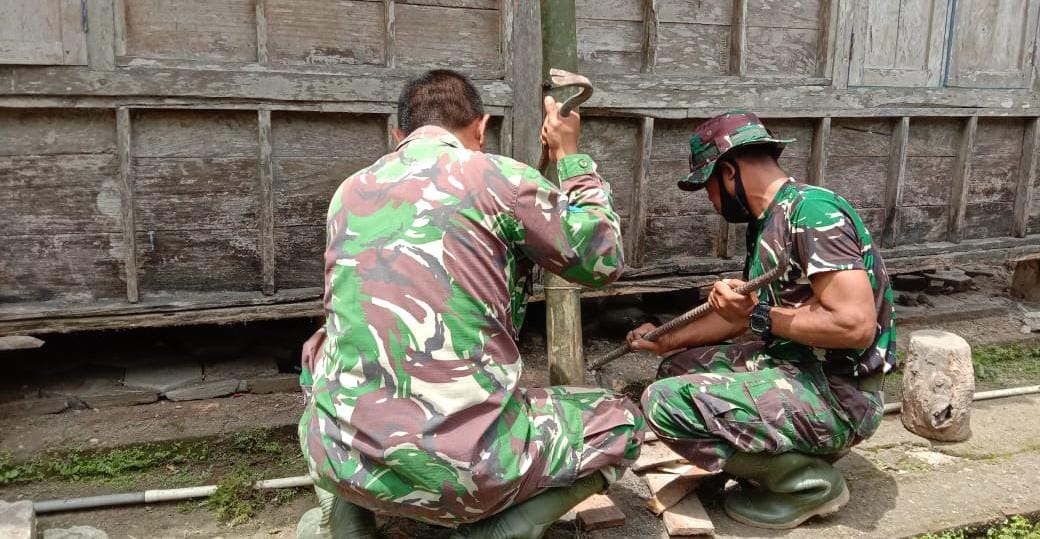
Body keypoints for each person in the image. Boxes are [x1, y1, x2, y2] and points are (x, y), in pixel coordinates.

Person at [296, 69, 645, 539]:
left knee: (319, 349)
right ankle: (495, 531)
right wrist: (570, 155)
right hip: (466, 476)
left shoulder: (349, 192)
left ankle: (348, 516)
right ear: (480, 128)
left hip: (338, 459)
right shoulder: (502, 179)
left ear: (398, 134)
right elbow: (603, 260)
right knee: (619, 421)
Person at [627, 111, 896, 529]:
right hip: (801, 370)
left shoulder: (812, 212)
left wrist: (759, 314)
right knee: (677, 368)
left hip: (842, 394)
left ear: (728, 172)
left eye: (709, 188)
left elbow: (853, 326)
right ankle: (778, 457)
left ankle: (806, 482)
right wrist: (666, 340)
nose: (712, 202)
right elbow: (741, 320)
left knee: (666, 403)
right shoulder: (769, 222)